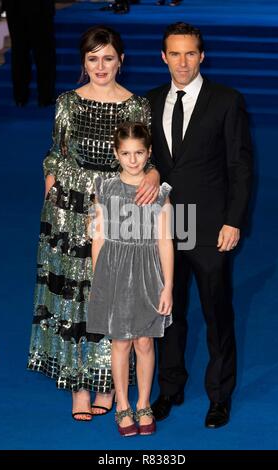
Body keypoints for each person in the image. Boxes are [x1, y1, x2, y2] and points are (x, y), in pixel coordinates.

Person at [27, 25, 160, 421]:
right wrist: (54, 189)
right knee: (75, 297)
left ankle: (105, 380)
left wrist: (151, 175)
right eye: (92, 58)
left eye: (108, 58)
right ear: (84, 63)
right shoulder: (68, 101)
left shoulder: (136, 105)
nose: (100, 66)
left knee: (113, 296)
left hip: (119, 210)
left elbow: (143, 158)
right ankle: (78, 386)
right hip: (71, 211)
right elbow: (56, 153)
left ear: (121, 60)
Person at [147, 22, 253, 428]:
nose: (182, 62)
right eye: (175, 53)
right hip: (164, 225)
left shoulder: (226, 100)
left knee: (216, 313)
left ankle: (220, 396)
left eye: (190, 53)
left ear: (202, 56)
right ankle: (169, 389)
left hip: (209, 226)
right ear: (163, 57)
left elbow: (240, 167)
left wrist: (233, 221)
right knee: (168, 313)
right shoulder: (151, 100)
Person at [87, 122, 173, 436]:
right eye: (126, 153)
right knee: (120, 341)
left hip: (149, 273)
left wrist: (169, 285)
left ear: (149, 153)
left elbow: (165, 242)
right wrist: (99, 281)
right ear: (116, 153)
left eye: (139, 153)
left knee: (145, 341)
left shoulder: (160, 193)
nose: (133, 160)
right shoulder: (105, 188)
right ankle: (122, 404)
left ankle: (144, 403)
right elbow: (98, 237)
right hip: (114, 271)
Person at [2, 0, 56, 106]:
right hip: (39, 9)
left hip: (15, 8)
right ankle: (45, 96)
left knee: (19, 53)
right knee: (43, 54)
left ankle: (20, 97)